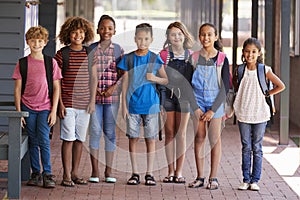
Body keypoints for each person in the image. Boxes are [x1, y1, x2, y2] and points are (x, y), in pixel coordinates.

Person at [118, 23, 168, 186]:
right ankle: (135, 173)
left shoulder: (154, 58)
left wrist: (154, 79)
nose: (143, 42)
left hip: (151, 105)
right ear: (135, 39)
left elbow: (166, 80)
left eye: (146, 39)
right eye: (139, 38)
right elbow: (124, 82)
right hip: (133, 104)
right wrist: (123, 105)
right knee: (133, 138)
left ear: (151, 39)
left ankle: (149, 173)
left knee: (150, 139)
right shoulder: (129, 58)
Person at [12, 26, 62, 188]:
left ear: (45, 43)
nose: (36, 44)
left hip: (45, 107)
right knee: (33, 141)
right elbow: (18, 90)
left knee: (44, 140)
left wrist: (54, 111)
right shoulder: (22, 63)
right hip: (28, 108)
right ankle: (36, 173)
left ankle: (47, 173)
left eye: (40, 41)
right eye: (33, 41)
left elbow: (56, 88)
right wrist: (19, 112)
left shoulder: (50, 62)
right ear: (28, 42)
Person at [233, 37, 285, 191]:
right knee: (246, 146)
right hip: (243, 113)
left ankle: (255, 180)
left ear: (259, 53)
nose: (250, 55)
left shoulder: (265, 70)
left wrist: (268, 94)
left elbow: (281, 85)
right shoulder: (240, 70)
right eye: (247, 51)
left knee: (257, 146)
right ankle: (245, 179)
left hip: (260, 114)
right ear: (243, 53)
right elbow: (237, 89)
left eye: (254, 52)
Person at [54, 16, 97, 187]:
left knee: (80, 139)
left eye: (81, 32)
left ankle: (75, 173)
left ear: (86, 34)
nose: (78, 35)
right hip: (68, 104)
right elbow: (56, 82)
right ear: (68, 34)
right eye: (74, 32)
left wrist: (92, 100)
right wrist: (60, 105)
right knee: (68, 139)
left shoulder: (89, 53)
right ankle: (65, 175)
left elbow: (94, 78)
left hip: (85, 104)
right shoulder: (61, 54)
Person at [189, 23, 230, 190]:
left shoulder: (222, 59)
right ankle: (200, 177)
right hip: (197, 101)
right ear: (199, 36)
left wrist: (213, 110)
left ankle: (213, 178)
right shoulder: (193, 58)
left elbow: (225, 86)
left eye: (209, 34)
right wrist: (196, 107)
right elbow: (186, 84)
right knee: (199, 138)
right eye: (202, 34)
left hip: (216, 102)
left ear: (215, 37)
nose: (205, 38)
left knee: (214, 140)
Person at [159, 21, 201, 184]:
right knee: (169, 132)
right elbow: (160, 80)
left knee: (181, 134)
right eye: (172, 34)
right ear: (168, 37)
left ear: (184, 35)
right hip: (168, 97)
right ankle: (170, 171)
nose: (176, 37)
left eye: (179, 34)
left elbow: (194, 81)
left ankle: (179, 172)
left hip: (184, 99)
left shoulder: (191, 55)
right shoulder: (163, 55)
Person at [88, 14, 124, 184]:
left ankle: (108, 171)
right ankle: (95, 171)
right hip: (94, 99)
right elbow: (86, 74)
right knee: (95, 132)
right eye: (102, 28)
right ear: (97, 30)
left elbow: (123, 75)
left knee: (110, 134)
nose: (106, 31)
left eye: (109, 28)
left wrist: (113, 88)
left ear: (114, 30)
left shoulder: (118, 50)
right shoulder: (91, 49)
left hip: (112, 99)